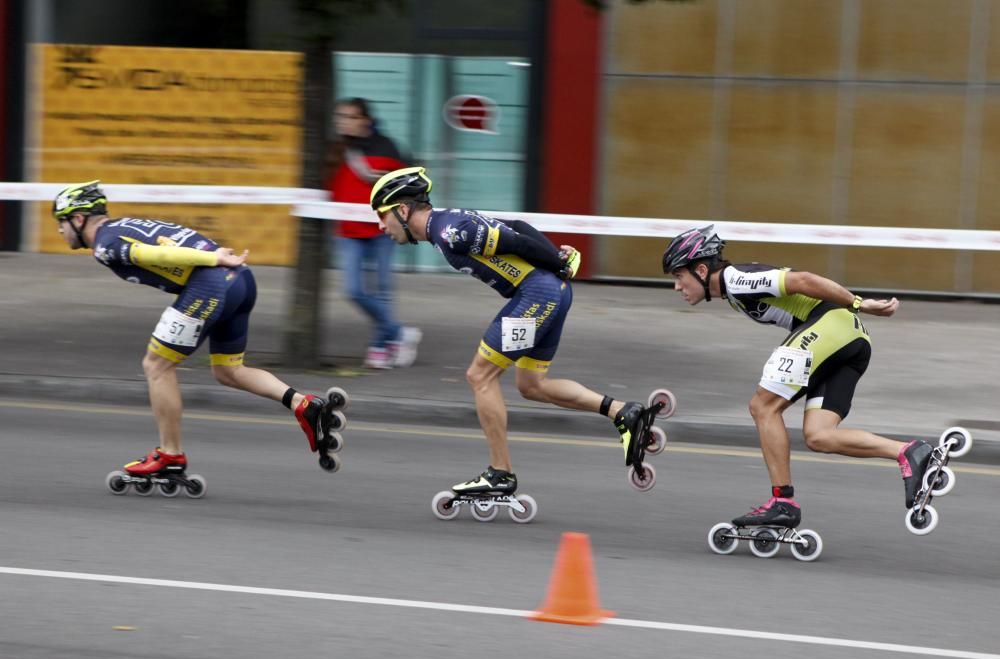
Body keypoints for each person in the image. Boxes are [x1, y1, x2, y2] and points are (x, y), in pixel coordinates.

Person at [369, 166, 649, 496]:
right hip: (547, 293)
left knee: (480, 376)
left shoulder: (450, 232)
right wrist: (556, 257)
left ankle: (500, 473)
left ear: (402, 210)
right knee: (532, 386)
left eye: (382, 215)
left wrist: (557, 263)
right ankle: (623, 413)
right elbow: (514, 226)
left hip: (537, 295)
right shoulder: (448, 223)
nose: (380, 225)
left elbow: (514, 238)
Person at [53, 180, 339, 481]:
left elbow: (152, 255)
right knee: (228, 371)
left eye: (61, 223)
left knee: (156, 366)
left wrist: (213, 258)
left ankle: (170, 456)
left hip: (211, 282)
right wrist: (216, 258)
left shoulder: (105, 244)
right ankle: (304, 405)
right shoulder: (124, 225)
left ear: (79, 218)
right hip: (240, 279)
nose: (60, 231)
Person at [662, 225, 933, 529]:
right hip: (850, 341)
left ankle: (783, 502)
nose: (676, 287)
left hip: (832, 326)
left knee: (763, 406)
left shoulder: (735, 279)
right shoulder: (732, 291)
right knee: (819, 436)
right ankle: (909, 453)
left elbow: (803, 280)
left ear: (700, 269)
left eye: (678, 276)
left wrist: (859, 303)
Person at [327, 97, 421, 370]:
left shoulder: (387, 148)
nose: (343, 122)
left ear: (365, 120)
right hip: (347, 232)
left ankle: (381, 345)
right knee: (354, 290)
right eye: (340, 117)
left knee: (382, 290)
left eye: (350, 117)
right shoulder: (336, 150)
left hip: (383, 230)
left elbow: (411, 183)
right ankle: (399, 333)